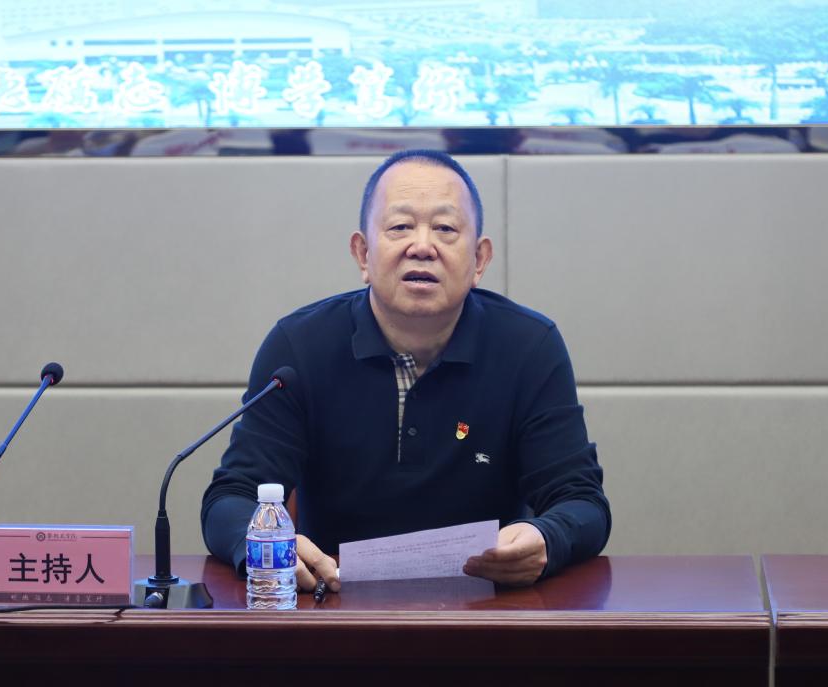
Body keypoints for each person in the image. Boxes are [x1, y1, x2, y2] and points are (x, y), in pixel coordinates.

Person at [202, 150, 610, 593]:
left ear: (479, 259)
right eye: (400, 227)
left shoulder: (528, 347)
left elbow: (582, 502)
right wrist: (260, 542)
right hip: (333, 609)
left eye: (445, 229)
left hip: (488, 612)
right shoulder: (298, 347)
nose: (422, 246)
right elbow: (232, 498)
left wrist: (546, 537)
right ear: (363, 253)